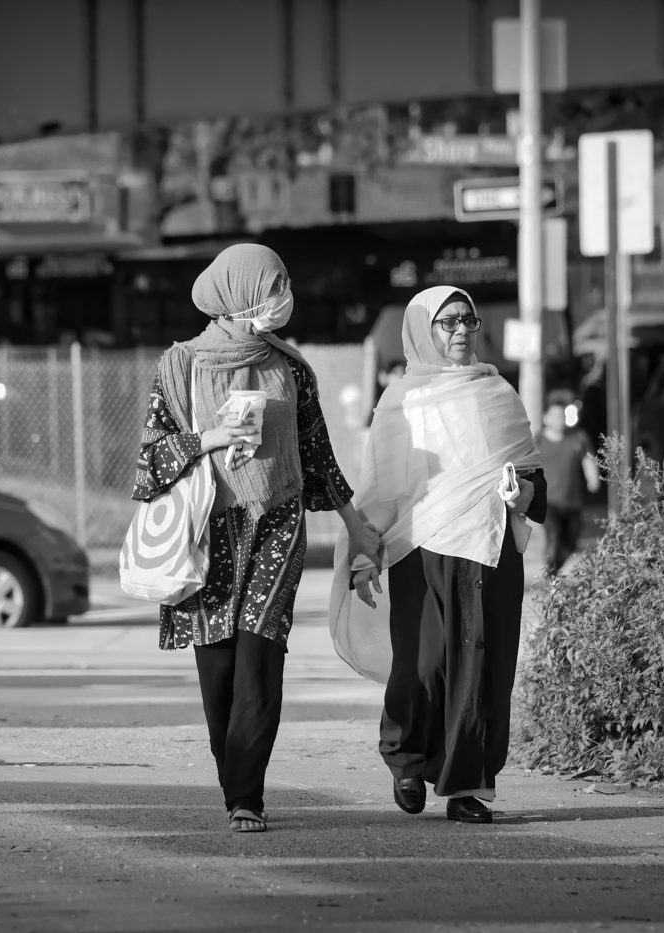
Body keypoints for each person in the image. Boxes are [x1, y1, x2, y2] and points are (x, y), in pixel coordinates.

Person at [131, 243, 380, 834]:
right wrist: (211, 438)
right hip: (208, 529)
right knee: (218, 671)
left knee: (260, 661)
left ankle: (248, 795)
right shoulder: (180, 367)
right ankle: (234, 775)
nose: (280, 299)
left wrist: (356, 525)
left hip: (276, 520)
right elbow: (150, 462)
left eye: (282, 286)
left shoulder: (290, 369)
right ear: (237, 297)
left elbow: (317, 455)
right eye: (271, 289)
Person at [327, 286, 546, 825]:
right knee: (422, 665)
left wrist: (525, 496)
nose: (461, 332)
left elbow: (534, 476)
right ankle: (407, 758)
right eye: (447, 323)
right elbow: (378, 490)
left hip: (490, 550)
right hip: (420, 552)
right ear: (423, 329)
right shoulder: (403, 399)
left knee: (482, 667)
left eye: (468, 321)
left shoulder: (500, 393)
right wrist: (364, 554)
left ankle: (468, 785)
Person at [536, 390, 601, 576]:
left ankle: (554, 571)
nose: (558, 419)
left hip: (572, 501)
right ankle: (549, 577)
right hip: (548, 502)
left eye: (561, 415)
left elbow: (588, 460)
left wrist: (593, 478)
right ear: (546, 417)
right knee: (554, 536)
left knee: (571, 542)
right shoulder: (538, 440)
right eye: (554, 416)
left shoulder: (578, 438)